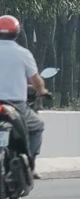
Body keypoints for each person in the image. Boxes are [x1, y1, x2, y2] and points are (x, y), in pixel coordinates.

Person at [0, 14, 46, 167]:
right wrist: (42, 90)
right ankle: (29, 162)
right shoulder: (23, 53)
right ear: (17, 32)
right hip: (16, 107)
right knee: (38, 125)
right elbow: (35, 80)